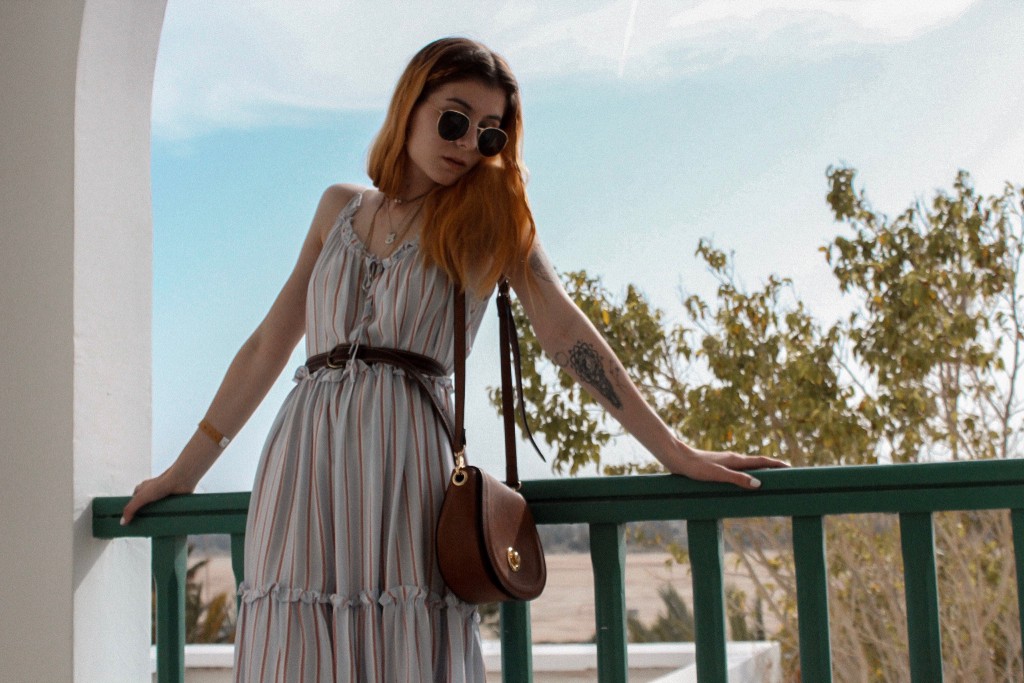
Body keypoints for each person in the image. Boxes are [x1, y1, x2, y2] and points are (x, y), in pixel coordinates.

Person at [121, 37, 788, 682]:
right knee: (297, 646)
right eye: (454, 121)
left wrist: (674, 450)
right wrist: (185, 470)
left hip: (404, 465)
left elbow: (564, 331)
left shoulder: (490, 219)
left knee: (402, 643)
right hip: (303, 467)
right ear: (410, 105)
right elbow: (269, 344)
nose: (470, 144)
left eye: (490, 133)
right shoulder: (336, 208)